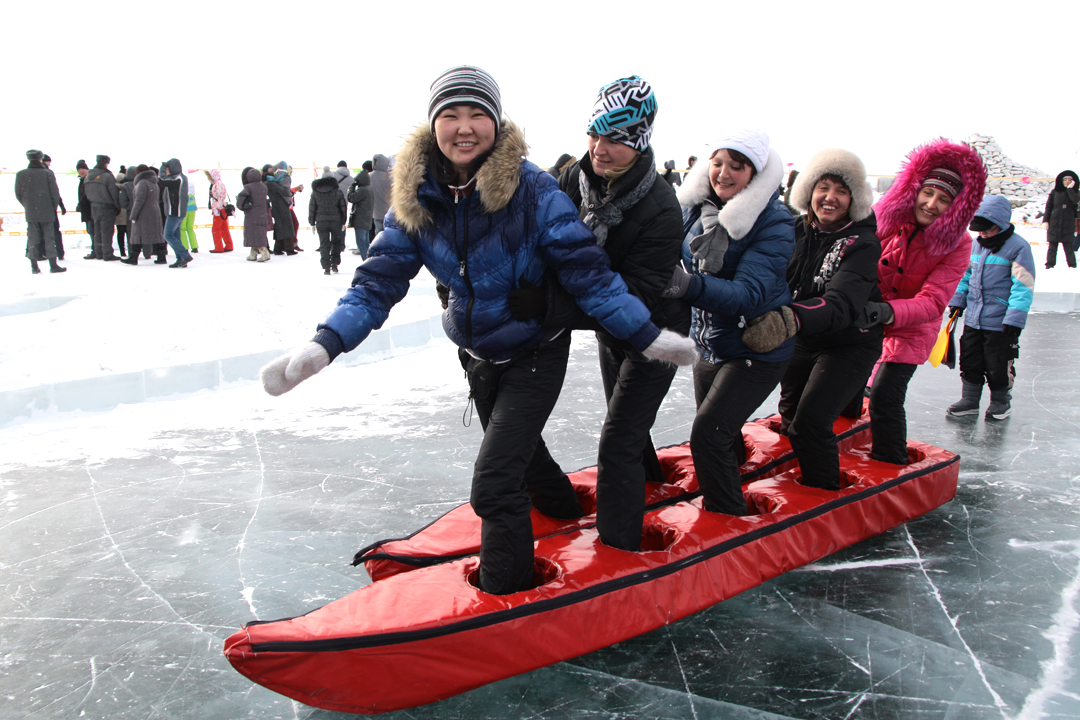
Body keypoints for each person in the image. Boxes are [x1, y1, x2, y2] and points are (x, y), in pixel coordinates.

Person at [259, 65, 697, 595]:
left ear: (495, 122)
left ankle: (505, 592)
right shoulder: (417, 196)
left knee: (495, 485)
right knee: (524, 455)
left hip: (536, 351)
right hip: (479, 353)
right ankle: (561, 509)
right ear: (434, 124)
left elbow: (591, 277)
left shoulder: (535, 190)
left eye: (477, 115)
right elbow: (377, 282)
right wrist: (324, 344)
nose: (464, 127)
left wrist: (649, 337)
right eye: (451, 114)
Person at [509, 75, 688, 552]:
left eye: (615, 139)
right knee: (627, 422)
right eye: (594, 132)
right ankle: (649, 483)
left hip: (653, 332)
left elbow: (636, 295)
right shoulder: (576, 175)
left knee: (618, 439)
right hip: (612, 333)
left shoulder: (661, 208)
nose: (599, 148)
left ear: (641, 141)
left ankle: (620, 549)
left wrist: (549, 305)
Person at [662, 130, 795, 515]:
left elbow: (748, 293)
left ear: (755, 174)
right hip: (709, 342)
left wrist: (686, 285)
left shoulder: (774, 221)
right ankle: (734, 479)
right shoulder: (694, 207)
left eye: (737, 166)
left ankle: (728, 517)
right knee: (724, 433)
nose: (724, 173)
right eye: (718, 162)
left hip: (756, 346)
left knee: (708, 435)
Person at [741, 148, 882, 490]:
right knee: (790, 418)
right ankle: (798, 471)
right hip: (803, 339)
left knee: (811, 422)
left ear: (854, 198)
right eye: (823, 187)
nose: (830, 198)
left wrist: (786, 320)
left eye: (841, 190)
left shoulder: (862, 243)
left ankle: (824, 491)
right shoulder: (793, 230)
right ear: (808, 191)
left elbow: (841, 304)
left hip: (849, 344)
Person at [854, 138, 986, 464]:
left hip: (912, 327)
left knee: (885, 395)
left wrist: (885, 311)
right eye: (927, 193)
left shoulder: (958, 244)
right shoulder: (886, 219)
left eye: (943, 199)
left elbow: (932, 302)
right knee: (844, 386)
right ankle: (841, 444)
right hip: (864, 317)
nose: (930, 203)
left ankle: (890, 461)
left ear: (956, 207)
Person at [946, 194, 1035, 420]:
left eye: (988, 230)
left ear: (1001, 225)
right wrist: (958, 300)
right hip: (974, 318)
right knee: (971, 359)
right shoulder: (975, 246)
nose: (983, 234)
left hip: (1001, 321)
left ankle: (1000, 402)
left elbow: (1022, 286)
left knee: (998, 362)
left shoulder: (1018, 247)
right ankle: (970, 400)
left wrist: (1014, 319)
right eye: (980, 230)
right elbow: (965, 275)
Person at [15, 149, 66, 274]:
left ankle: (34, 266)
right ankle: (53, 265)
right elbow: (55, 193)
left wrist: (28, 205)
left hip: (31, 212)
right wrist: (51, 208)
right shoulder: (47, 173)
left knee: (32, 238)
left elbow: (18, 194)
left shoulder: (21, 174)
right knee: (49, 238)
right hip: (47, 211)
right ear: (40, 158)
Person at [121, 165, 166, 265]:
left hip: (144, 212)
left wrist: (133, 214)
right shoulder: (154, 182)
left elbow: (139, 200)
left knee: (139, 234)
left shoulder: (142, 183)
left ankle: (133, 257)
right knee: (156, 233)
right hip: (155, 210)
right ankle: (161, 256)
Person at [309, 169, 348, 274]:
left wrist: (312, 222)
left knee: (324, 243)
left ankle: (326, 267)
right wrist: (344, 221)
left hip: (321, 221)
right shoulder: (338, 191)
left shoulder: (316, 192)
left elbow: (312, 207)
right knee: (336, 242)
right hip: (336, 220)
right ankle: (335, 263)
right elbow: (343, 207)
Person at [83, 155, 121, 260]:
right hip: (106, 207)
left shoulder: (88, 176)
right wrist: (117, 207)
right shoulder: (107, 176)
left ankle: (99, 253)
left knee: (97, 231)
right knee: (107, 231)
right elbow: (114, 193)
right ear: (106, 163)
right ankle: (107, 254)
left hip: (94, 206)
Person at [158, 158, 193, 268]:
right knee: (176, 237)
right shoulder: (181, 178)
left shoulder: (177, 179)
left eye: (168, 169)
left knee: (167, 235)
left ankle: (185, 255)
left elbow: (161, 181)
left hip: (175, 212)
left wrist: (162, 168)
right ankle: (181, 259)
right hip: (177, 212)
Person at [1043, 170, 1079, 269]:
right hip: (1055, 222)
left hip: (1069, 223)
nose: (1067, 181)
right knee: (1052, 246)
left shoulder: (1076, 193)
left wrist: (1070, 190)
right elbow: (1049, 206)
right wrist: (1046, 220)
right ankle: (1050, 265)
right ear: (1061, 181)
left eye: (1069, 180)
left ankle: (1072, 266)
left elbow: (1076, 202)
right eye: (1065, 180)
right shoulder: (1055, 192)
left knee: (1068, 247)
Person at [236, 167, 270, 262]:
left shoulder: (248, 187)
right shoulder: (264, 186)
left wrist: (241, 206)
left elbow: (241, 196)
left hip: (252, 214)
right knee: (259, 233)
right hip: (262, 214)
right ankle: (253, 254)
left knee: (253, 233)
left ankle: (264, 253)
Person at [266, 164, 297, 255]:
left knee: (279, 227)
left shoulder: (272, 180)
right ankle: (289, 249)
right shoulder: (283, 177)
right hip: (282, 206)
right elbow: (285, 192)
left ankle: (278, 248)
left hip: (275, 206)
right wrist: (289, 201)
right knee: (288, 227)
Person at [42, 154, 66, 260]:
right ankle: (59, 252)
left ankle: (41, 252)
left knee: (39, 231)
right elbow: (55, 191)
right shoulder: (48, 173)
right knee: (54, 230)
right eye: (48, 161)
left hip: (39, 208)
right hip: (50, 207)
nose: (49, 164)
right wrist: (60, 205)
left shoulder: (32, 173)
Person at [347, 163, 374, 258]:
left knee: (361, 243)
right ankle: (369, 261)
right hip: (367, 219)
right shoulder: (369, 189)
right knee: (366, 243)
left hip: (360, 220)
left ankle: (366, 262)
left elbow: (350, 198)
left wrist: (351, 187)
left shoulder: (362, 190)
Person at [204, 169, 234, 252]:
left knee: (216, 229)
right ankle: (228, 245)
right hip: (222, 208)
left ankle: (219, 247)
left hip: (219, 209)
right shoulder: (219, 184)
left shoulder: (217, 184)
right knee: (224, 228)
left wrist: (217, 208)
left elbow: (220, 197)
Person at [370, 153, 392, 235]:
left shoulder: (369, 177)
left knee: (378, 233)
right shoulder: (390, 177)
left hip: (375, 211)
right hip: (389, 210)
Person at [75, 159, 94, 250]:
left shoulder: (89, 179)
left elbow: (87, 194)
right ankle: (96, 250)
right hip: (87, 209)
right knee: (91, 230)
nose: (81, 171)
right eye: (79, 169)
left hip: (90, 209)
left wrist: (81, 204)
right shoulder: (82, 180)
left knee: (92, 230)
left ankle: (96, 250)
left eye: (83, 168)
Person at [181, 183, 199, 253]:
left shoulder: (183, 195)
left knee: (182, 229)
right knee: (190, 228)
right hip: (192, 209)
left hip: (184, 210)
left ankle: (185, 247)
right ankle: (194, 246)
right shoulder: (192, 196)